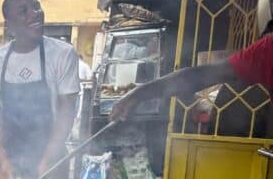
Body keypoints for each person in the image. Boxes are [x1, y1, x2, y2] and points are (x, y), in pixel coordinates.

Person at [0, 0, 80, 179]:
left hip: (51, 153)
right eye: (24, 11)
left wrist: (48, 160)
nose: (35, 13)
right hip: (7, 156)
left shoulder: (63, 54)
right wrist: (3, 161)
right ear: (9, 24)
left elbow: (65, 113)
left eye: (36, 7)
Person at [112, 31, 273, 121]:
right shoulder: (267, 50)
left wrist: (138, 94)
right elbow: (198, 76)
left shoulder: (268, 48)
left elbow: (198, 76)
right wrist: (138, 94)